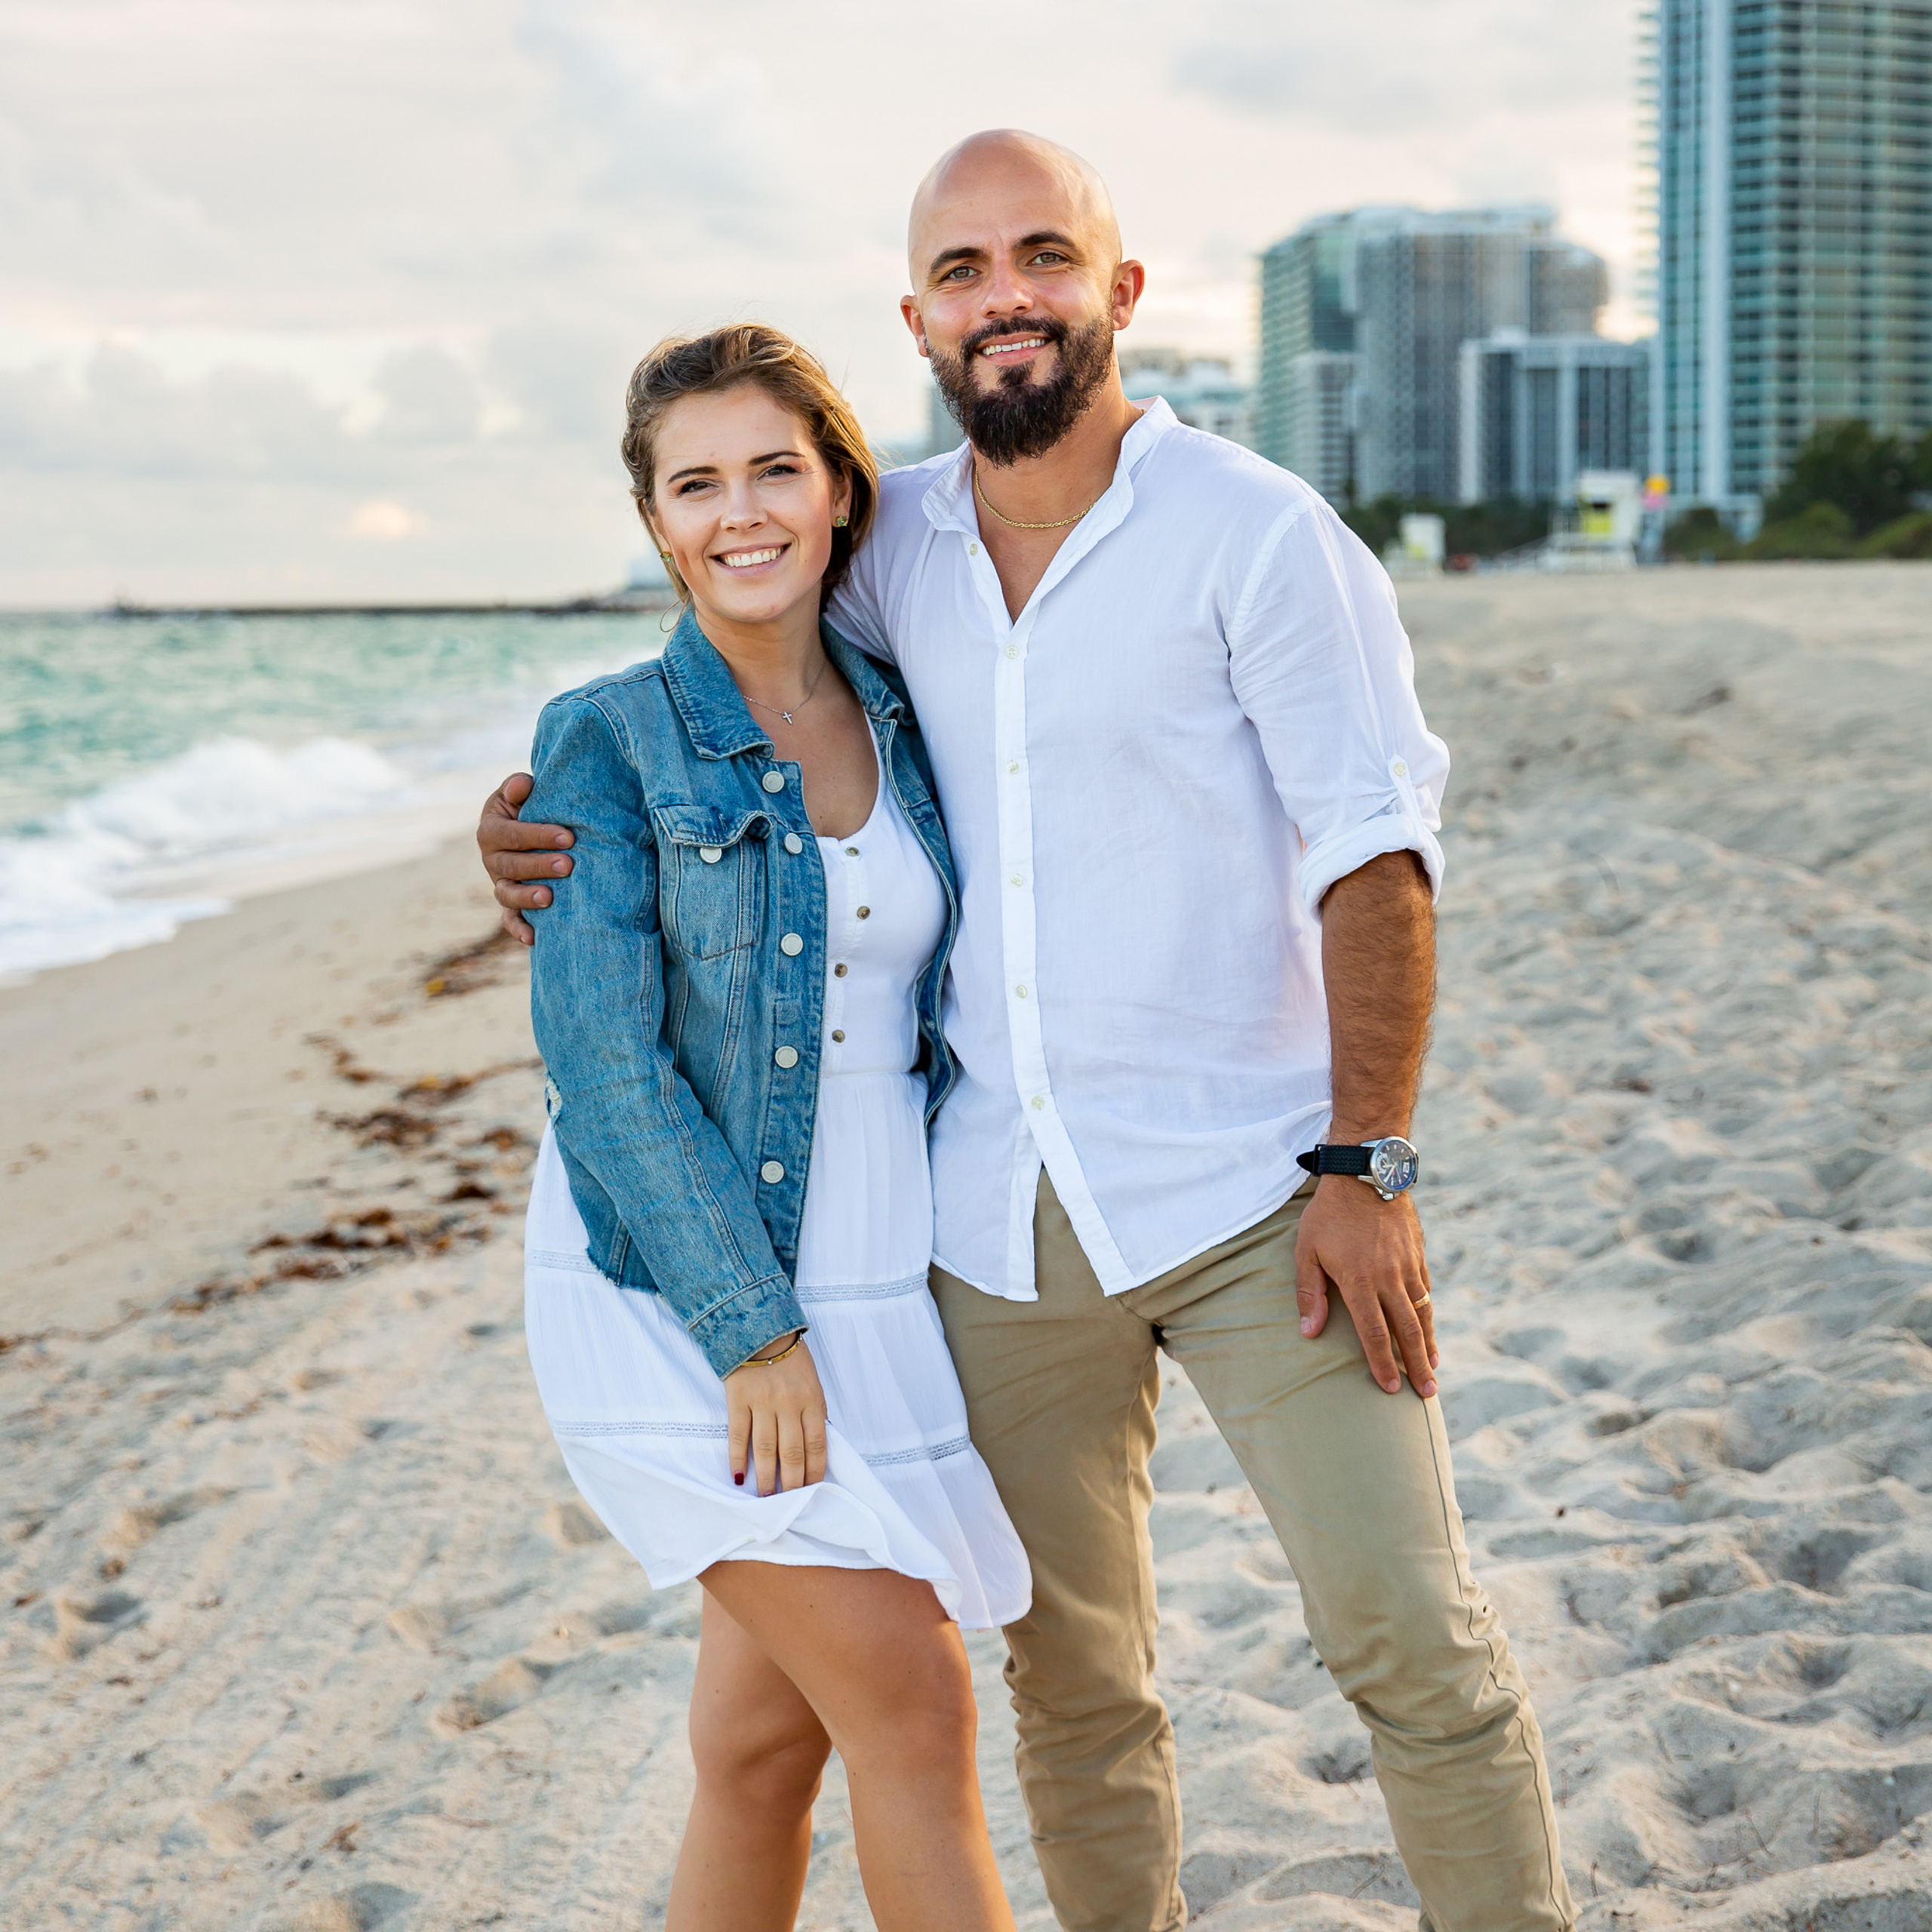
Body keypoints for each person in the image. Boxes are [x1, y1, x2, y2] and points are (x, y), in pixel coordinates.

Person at [485, 134, 1577, 1932]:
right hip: (982, 1226)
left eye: (1042, 257)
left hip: (1254, 1193)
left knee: (1408, 1638)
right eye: (965, 268)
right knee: (1064, 1686)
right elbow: (692, 722)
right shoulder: (877, 543)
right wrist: (523, 831)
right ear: (915, 317)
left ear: (1116, 290)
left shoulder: (1255, 532)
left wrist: (1366, 1158)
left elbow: (1374, 856)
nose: (1007, 297)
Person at [518, 321, 1028, 1932]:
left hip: (879, 1270)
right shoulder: (605, 738)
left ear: (835, 492)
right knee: (912, 1703)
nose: (738, 511)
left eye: (773, 470)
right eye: (695, 483)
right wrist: (751, 1330)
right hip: (683, 1289)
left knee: (757, 1746)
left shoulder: (908, 709)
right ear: (656, 519)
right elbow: (604, 1070)